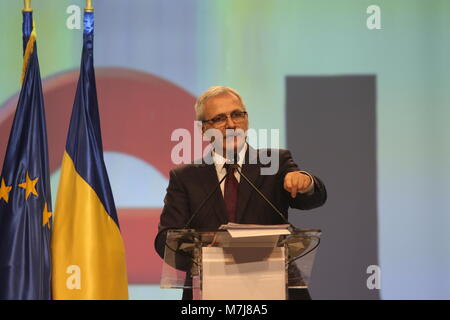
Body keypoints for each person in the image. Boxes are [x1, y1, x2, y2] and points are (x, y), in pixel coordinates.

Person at [154, 86, 327, 300]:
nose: (231, 124)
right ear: (202, 130)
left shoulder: (274, 163)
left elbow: (311, 198)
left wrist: (306, 182)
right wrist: (206, 251)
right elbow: (166, 241)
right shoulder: (185, 178)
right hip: (209, 291)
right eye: (219, 118)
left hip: (275, 286)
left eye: (237, 114)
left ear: (246, 119)